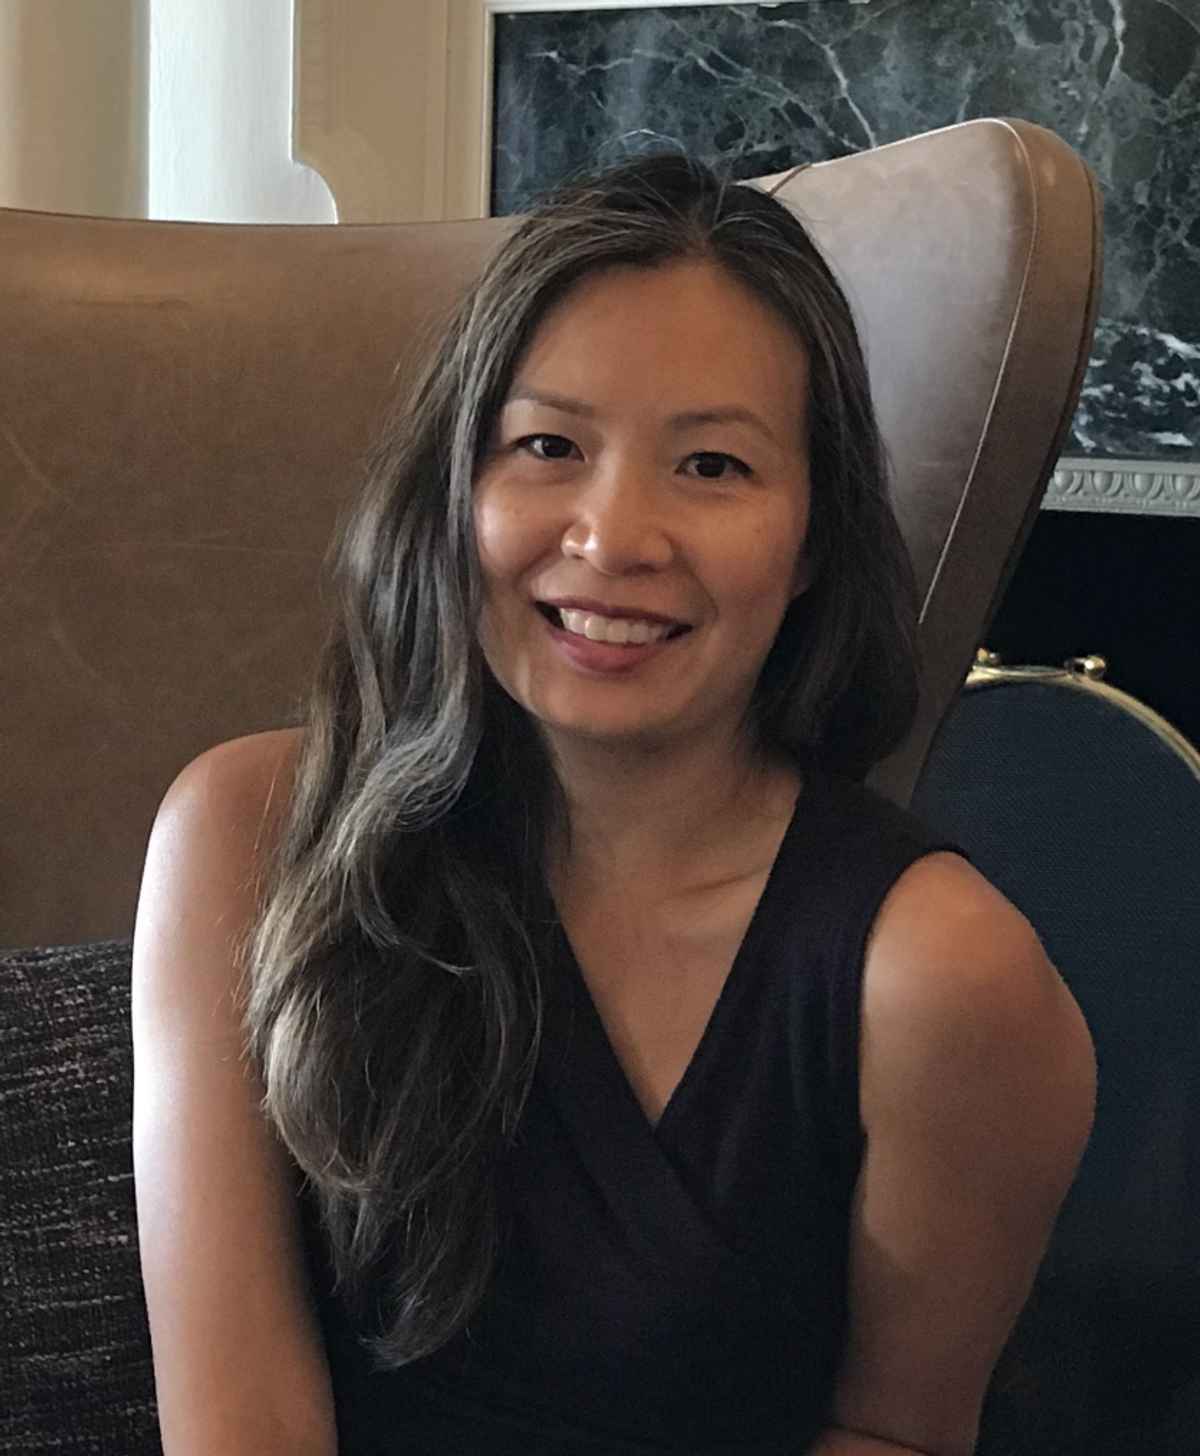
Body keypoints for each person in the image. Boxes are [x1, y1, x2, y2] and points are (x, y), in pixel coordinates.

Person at [131, 155, 1096, 1456]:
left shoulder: (939, 977)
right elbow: (238, 1425)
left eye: (712, 465)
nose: (614, 536)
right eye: (549, 446)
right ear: (455, 485)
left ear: (813, 539)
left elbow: (898, 1433)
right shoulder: (241, 834)